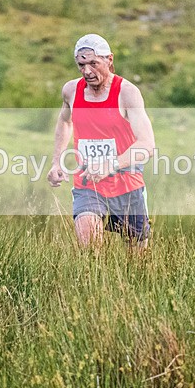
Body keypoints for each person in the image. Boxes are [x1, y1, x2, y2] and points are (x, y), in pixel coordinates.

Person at [47, 34, 155, 248]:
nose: (87, 71)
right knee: (88, 251)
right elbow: (64, 121)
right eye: (81, 64)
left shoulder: (127, 93)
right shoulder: (71, 91)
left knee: (138, 262)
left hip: (127, 184)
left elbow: (147, 145)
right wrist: (56, 162)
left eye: (93, 63)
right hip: (88, 183)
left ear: (109, 60)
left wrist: (109, 165)